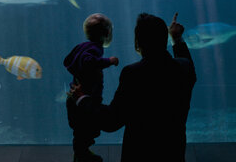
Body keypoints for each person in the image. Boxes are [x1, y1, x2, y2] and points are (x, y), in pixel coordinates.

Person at [70, 13, 196, 162]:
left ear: (137, 43)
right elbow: (186, 61)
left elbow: (112, 120)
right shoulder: (184, 68)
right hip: (173, 153)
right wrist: (176, 38)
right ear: (164, 39)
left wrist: (82, 99)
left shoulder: (133, 74)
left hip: (139, 154)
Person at [64, 13, 119, 162]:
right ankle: (82, 154)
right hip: (85, 99)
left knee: (81, 131)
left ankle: (81, 152)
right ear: (107, 33)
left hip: (74, 97)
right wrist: (108, 61)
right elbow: (89, 62)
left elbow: (68, 60)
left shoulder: (82, 46)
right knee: (87, 129)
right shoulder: (95, 49)